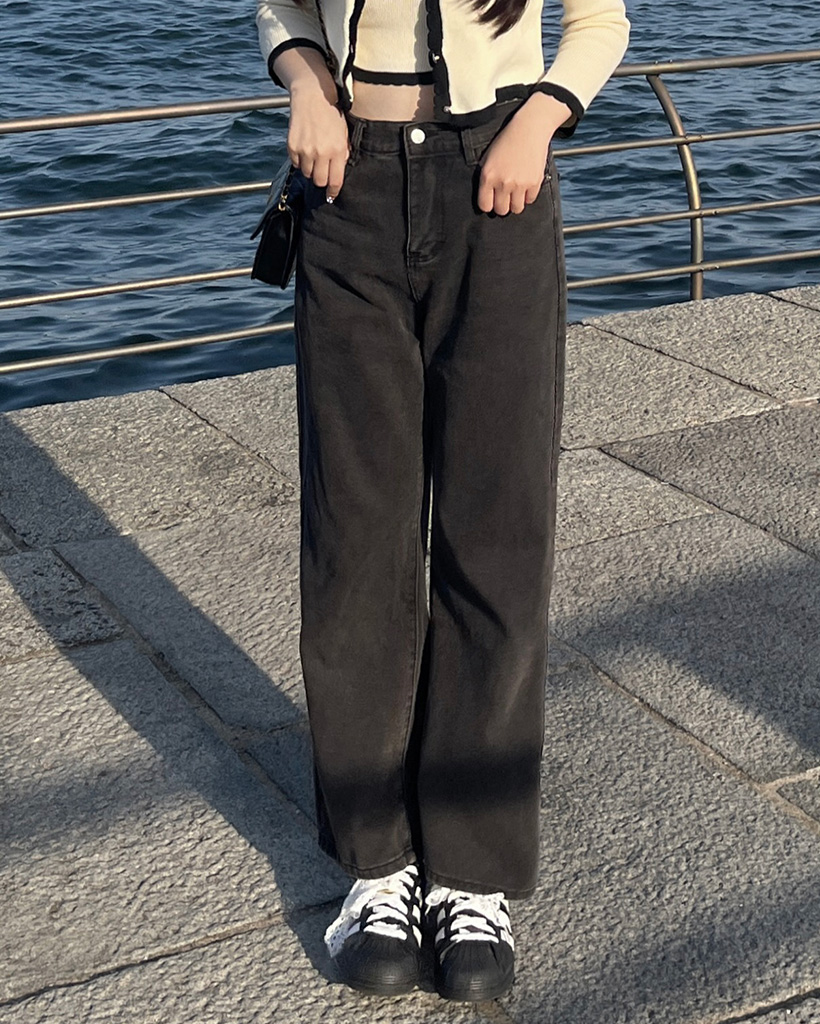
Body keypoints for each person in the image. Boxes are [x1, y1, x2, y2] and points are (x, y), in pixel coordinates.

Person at [255, 0, 630, 1003]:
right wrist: (306, 86)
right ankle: (375, 864)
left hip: (499, 181)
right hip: (347, 187)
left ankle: (470, 871)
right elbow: (281, 6)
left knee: (494, 536)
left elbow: (601, 21)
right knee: (357, 536)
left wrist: (539, 119)